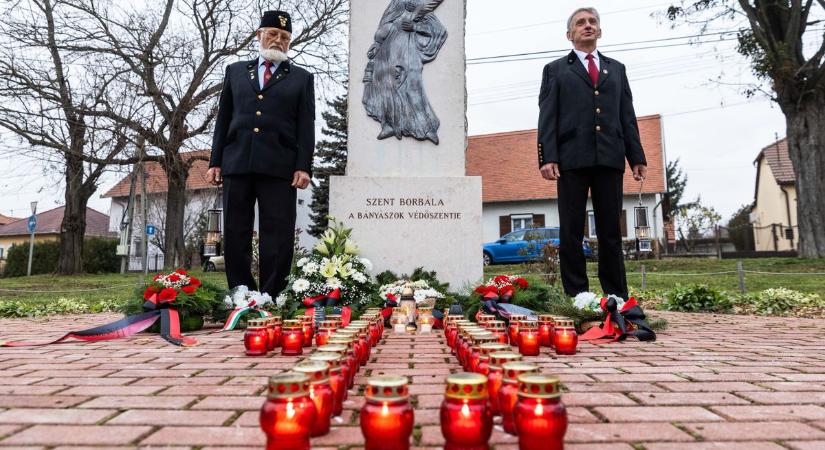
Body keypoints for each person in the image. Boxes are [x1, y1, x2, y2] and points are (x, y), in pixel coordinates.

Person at [537, 7, 647, 301]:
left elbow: (628, 115)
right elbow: (547, 116)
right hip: (571, 160)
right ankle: (579, 297)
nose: (587, 26)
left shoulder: (617, 69)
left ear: (599, 30)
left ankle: (617, 297)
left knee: (611, 230)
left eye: (592, 22)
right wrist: (547, 156)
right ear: (569, 34)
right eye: (580, 23)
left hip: (610, 158)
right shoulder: (556, 70)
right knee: (571, 230)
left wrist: (636, 157)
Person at [207, 10, 315, 298]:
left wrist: (304, 166)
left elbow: (306, 125)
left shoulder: (302, 78)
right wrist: (215, 160)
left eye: (284, 37)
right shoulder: (235, 71)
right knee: (235, 230)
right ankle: (241, 292)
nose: (278, 41)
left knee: (277, 234)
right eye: (272, 34)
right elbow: (224, 118)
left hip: (280, 167)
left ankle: (272, 294)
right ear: (259, 35)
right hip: (237, 162)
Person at [362, 0, 447, 144]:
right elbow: (385, 24)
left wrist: (415, 26)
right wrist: (377, 43)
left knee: (412, 89)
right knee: (385, 87)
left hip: (408, 53)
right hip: (387, 53)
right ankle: (389, 124)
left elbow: (440, 31)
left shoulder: (420, 9)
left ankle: (426, 128)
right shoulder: (396, 4)